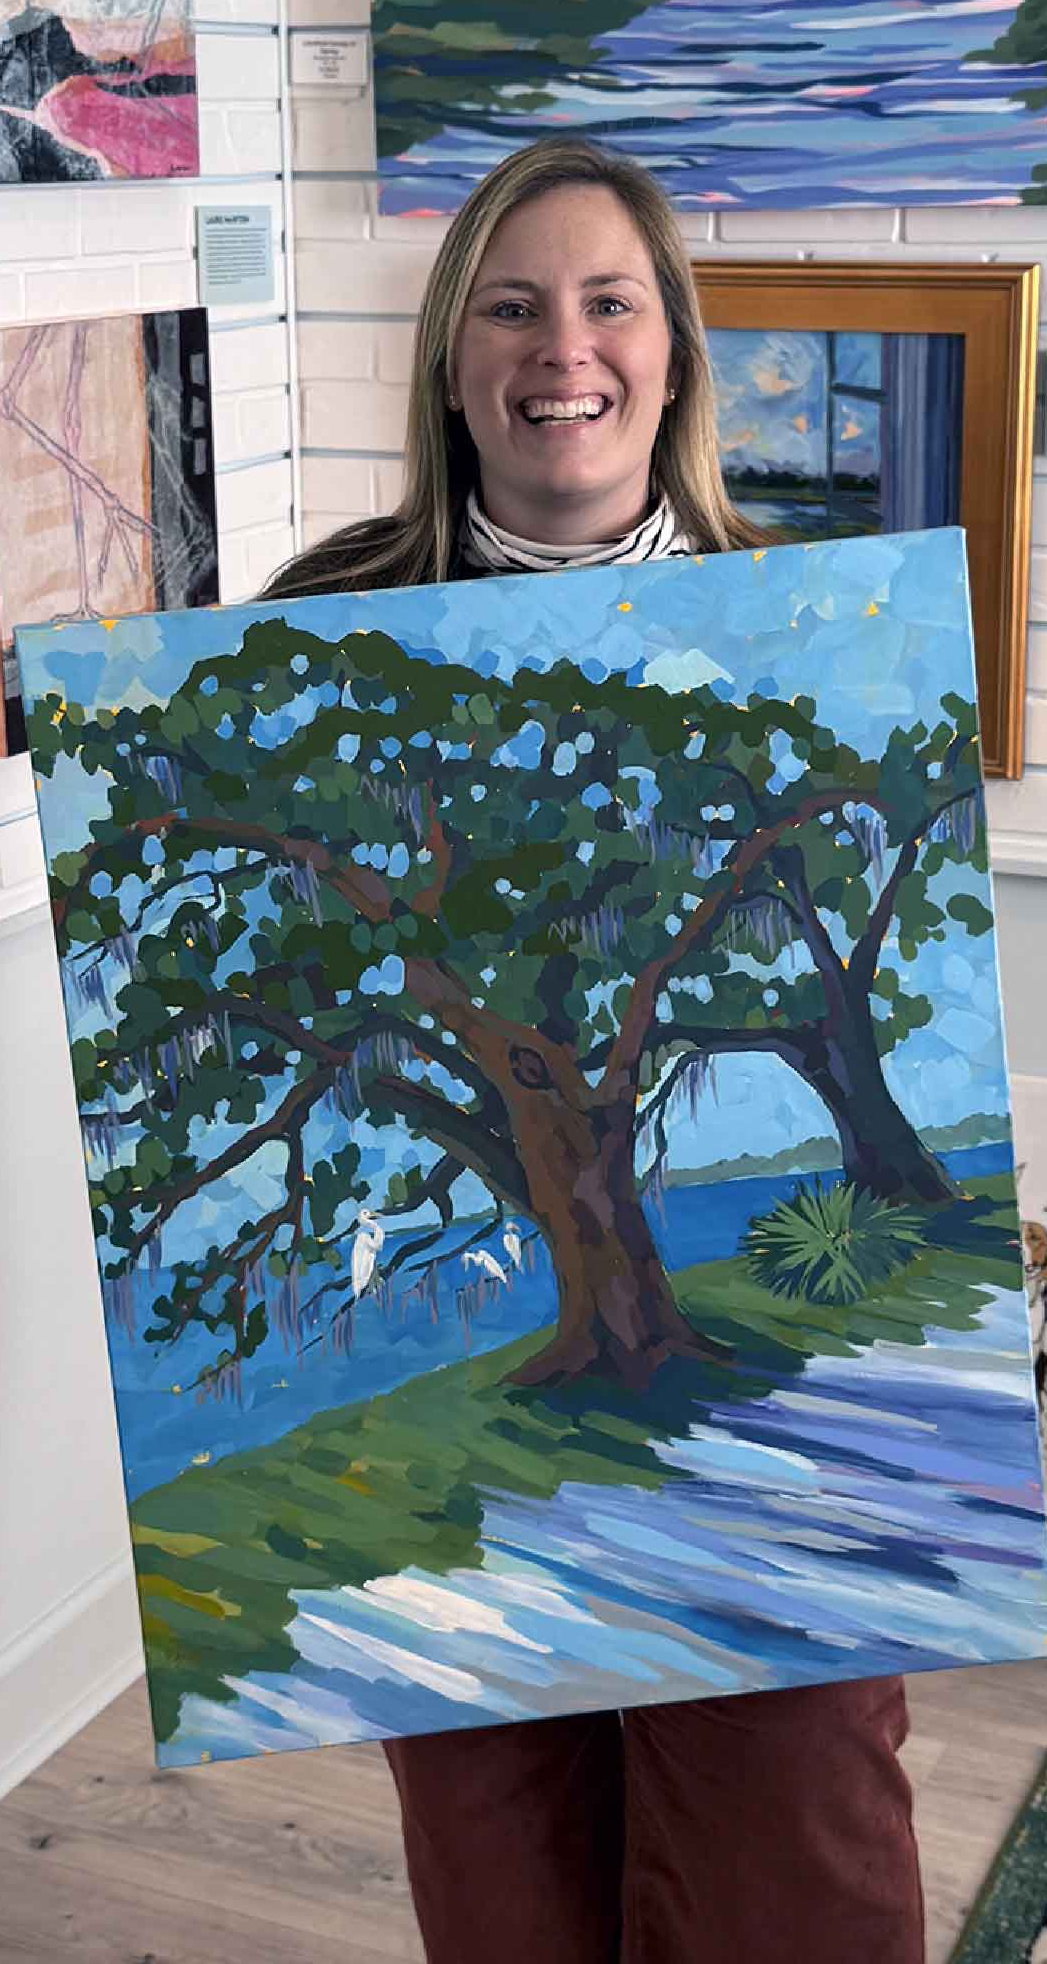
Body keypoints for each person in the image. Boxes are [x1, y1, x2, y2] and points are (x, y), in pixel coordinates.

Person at [263, 137, 927, 1964]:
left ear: (673, 351)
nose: (568, 349)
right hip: (484, 1367)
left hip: (773, 1449)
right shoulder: (320, 622)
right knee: (502, 1851)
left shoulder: (811, 629)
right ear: (453, 358)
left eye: (611, 301)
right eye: (515, 303)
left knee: (797, 1832)